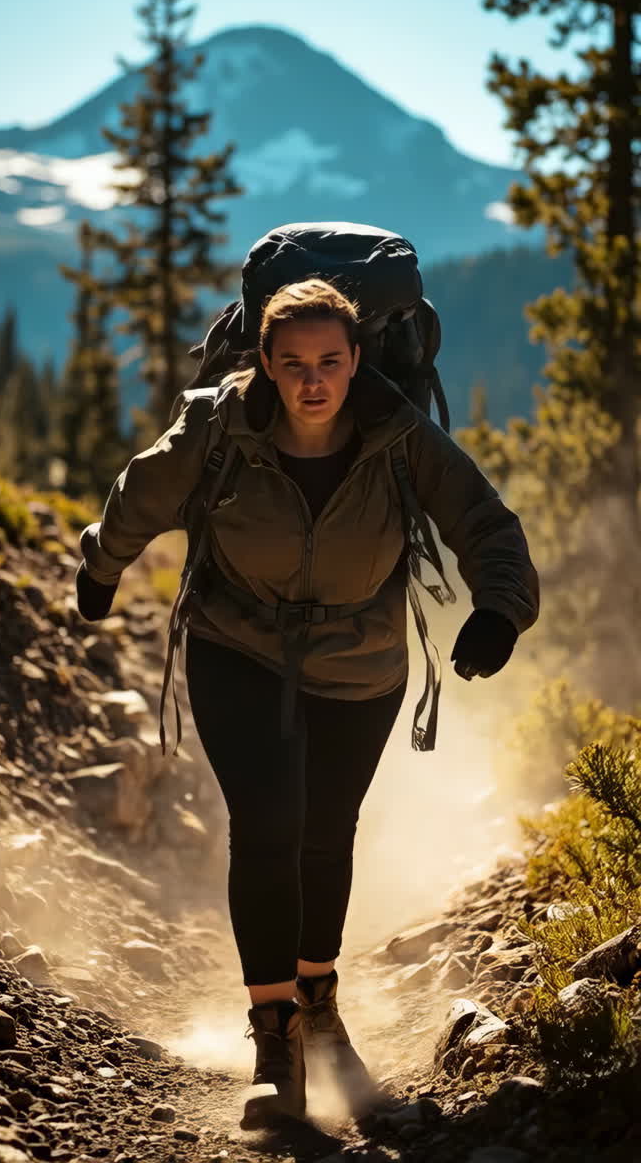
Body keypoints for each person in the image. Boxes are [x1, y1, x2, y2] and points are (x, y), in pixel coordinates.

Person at [76, 278, 539, 1126]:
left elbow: (485, 521)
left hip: (361, 660)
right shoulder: (218, 423)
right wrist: (101, 567)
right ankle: (274, 1037)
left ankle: (319, 997)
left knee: (327, 833)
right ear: (266, 363)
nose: (313, 381)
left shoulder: (402, 434)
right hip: (235, 642)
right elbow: (144, 489)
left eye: (330, 361)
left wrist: (500, 607)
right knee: (267, 824)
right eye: (293, 364)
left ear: (358, 360)